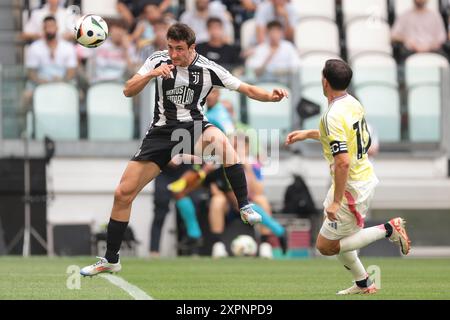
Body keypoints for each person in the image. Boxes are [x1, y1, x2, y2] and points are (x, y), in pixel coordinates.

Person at [80, 23, 288, 276]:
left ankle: (244, 206)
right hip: (160, 133)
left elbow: (245, 88)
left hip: (193, 127)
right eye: (170, 47)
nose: (174, 54)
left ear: (192, 48)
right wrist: (152, 74)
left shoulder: (208, 69)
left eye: (179, 49)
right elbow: (128, 89)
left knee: (223, 144)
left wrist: (270, 96)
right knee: (123, 194)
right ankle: (111, 259)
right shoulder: (157, 59)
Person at [285, 59, 411, 295]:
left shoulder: (331, 116)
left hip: (352, 185)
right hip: (357, 178)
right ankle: (364, 283)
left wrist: (336, 200)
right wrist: (307, 134)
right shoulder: (353, 103)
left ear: (324, 82)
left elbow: (342, 161)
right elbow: (344, 137)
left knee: (325, 246)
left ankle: (389, 229)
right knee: (339, 235)